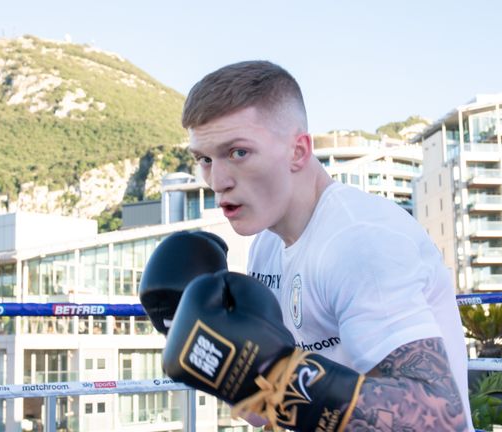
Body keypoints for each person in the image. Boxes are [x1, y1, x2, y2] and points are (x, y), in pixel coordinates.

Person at [177, 60, 473, 431]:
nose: (217, 181)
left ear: (298, 151)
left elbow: (440, 419)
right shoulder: (267, 244)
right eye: (204, 159)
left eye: (238, 152)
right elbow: (267, 410)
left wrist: (283, 380)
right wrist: (226, 367)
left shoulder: (360, 241)